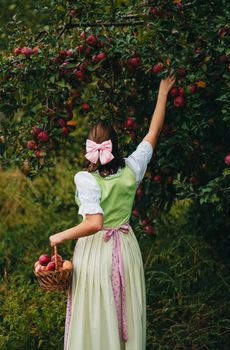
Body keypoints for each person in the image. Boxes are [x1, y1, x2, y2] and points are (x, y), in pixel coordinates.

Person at [49, 73, 176, 350]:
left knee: (96, 314)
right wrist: (163, 93)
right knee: (126, 308)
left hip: (96, 253)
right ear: (115, 146)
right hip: (127, 248)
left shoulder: (85, 179)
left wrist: (59, 236)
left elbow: (94, 223)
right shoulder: (132, 168)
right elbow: (152, 133)